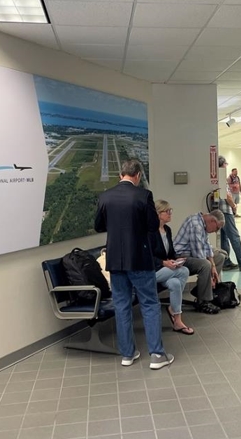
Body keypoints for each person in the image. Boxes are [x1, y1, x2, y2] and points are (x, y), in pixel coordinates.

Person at [94, 159, 174, 370]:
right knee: (149, 304)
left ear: (121, 175)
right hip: (140, 259)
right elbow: (151, 225)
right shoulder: (143, 195)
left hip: (115, 261)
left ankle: (127, 354)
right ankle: (157, 355)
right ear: (137, 175)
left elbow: (98, 225)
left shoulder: (105, 196)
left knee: (121, 306)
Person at [150, 200, 194, 335]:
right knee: (184, 271)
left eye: (170, 210)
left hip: (166, 271)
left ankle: (177, 321)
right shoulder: (149, 232)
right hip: (152, 271)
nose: (170, 214)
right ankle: (173, 311)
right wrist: (164, 263)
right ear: (158, 214)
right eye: (167, 211)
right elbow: (146, 256)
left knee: (175, 283)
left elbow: (170, 253)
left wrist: (176, 260)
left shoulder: (167, 230)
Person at [173, 210, 227, 315]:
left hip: (192, 254)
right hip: (181, 257)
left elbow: (206, 246)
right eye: (217, 228)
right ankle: (203, 302)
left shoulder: (202, 223)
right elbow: (199, 254)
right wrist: (211, 275)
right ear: (212, 221)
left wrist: (214, 266)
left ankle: (203, 291)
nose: (216, 231)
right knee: (205, 265)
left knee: (220, 257)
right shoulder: (195, 225)